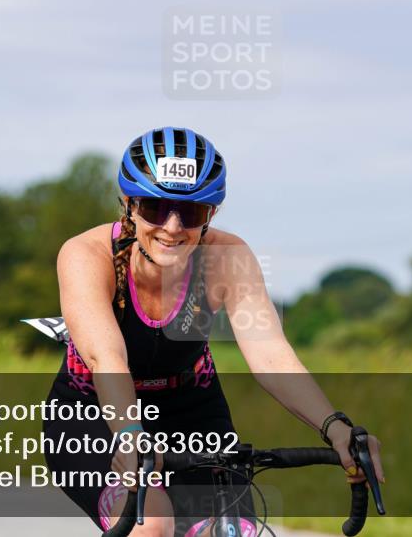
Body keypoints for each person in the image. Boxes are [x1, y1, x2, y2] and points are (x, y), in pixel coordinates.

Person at [42, 126, 384, 537]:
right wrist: (131, 437)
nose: (171, 227)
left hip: (190, 408)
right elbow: (107, 360)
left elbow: (271, 354)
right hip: (95, 410)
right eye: (154, 207)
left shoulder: (227, 258)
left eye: (191, 213)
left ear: (211, 215)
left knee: (228, 531)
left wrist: (336, 427)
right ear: (129, 204)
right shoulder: (86, 255)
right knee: (149, 524)